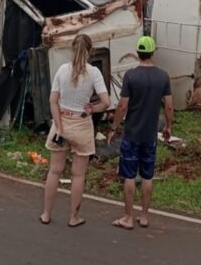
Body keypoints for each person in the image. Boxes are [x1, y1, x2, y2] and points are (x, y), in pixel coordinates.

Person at [40, 34, 110, 227]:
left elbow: (53, 101)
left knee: (54, 171)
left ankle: (46, 213)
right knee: (78, 175)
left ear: (72, 49)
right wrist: (92, 109)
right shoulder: (93, 73)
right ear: (89, 51)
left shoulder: (62, 70)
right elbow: (106, 102)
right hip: (81, 124)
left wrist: (59, 127)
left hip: (61, 121)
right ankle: (74, 217)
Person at [107, 36, 174, 230]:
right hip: (150, 136)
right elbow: (169, 106)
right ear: (153, 53)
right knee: (147, 176)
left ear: (138, 53)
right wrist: (168, 127)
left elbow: (122, 106)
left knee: (129, 176)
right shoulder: (163, 76)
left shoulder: (131, 76)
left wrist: (114, 128)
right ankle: (144, 217)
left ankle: (128, 217)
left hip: (131, 135)